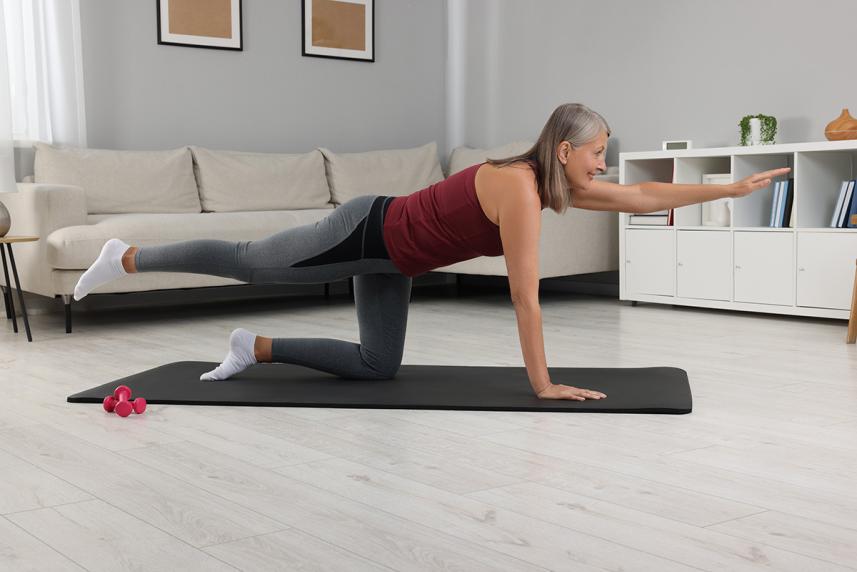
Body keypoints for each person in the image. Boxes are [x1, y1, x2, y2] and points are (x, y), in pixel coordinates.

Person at [73, 103, 790, 401]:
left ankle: (251, 346)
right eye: (599, 154)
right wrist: (541, 385)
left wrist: (728, 190)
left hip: (395, 259)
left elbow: (639, 199)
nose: (604, 165)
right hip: (361, 230)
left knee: (378, 366)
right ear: (565, 150)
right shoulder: (517, 189)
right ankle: (126, 257)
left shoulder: (542, 184)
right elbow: (523, 295)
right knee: (252, 259)